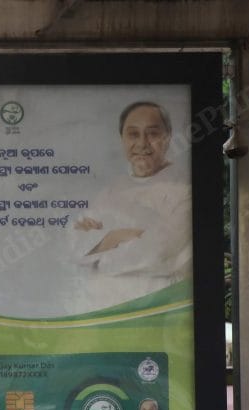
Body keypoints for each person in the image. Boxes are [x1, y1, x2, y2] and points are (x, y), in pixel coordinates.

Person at [71, 101, 192, 312]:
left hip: (157, 311)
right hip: (99, 311)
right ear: (122, 139)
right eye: (133, 134)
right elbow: (75, 246)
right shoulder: (110, 192)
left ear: (168, 137)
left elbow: (159, 253)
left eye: (152, 134)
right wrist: (115, 237)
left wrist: (102, 249)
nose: (142, 144)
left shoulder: (185, 190)